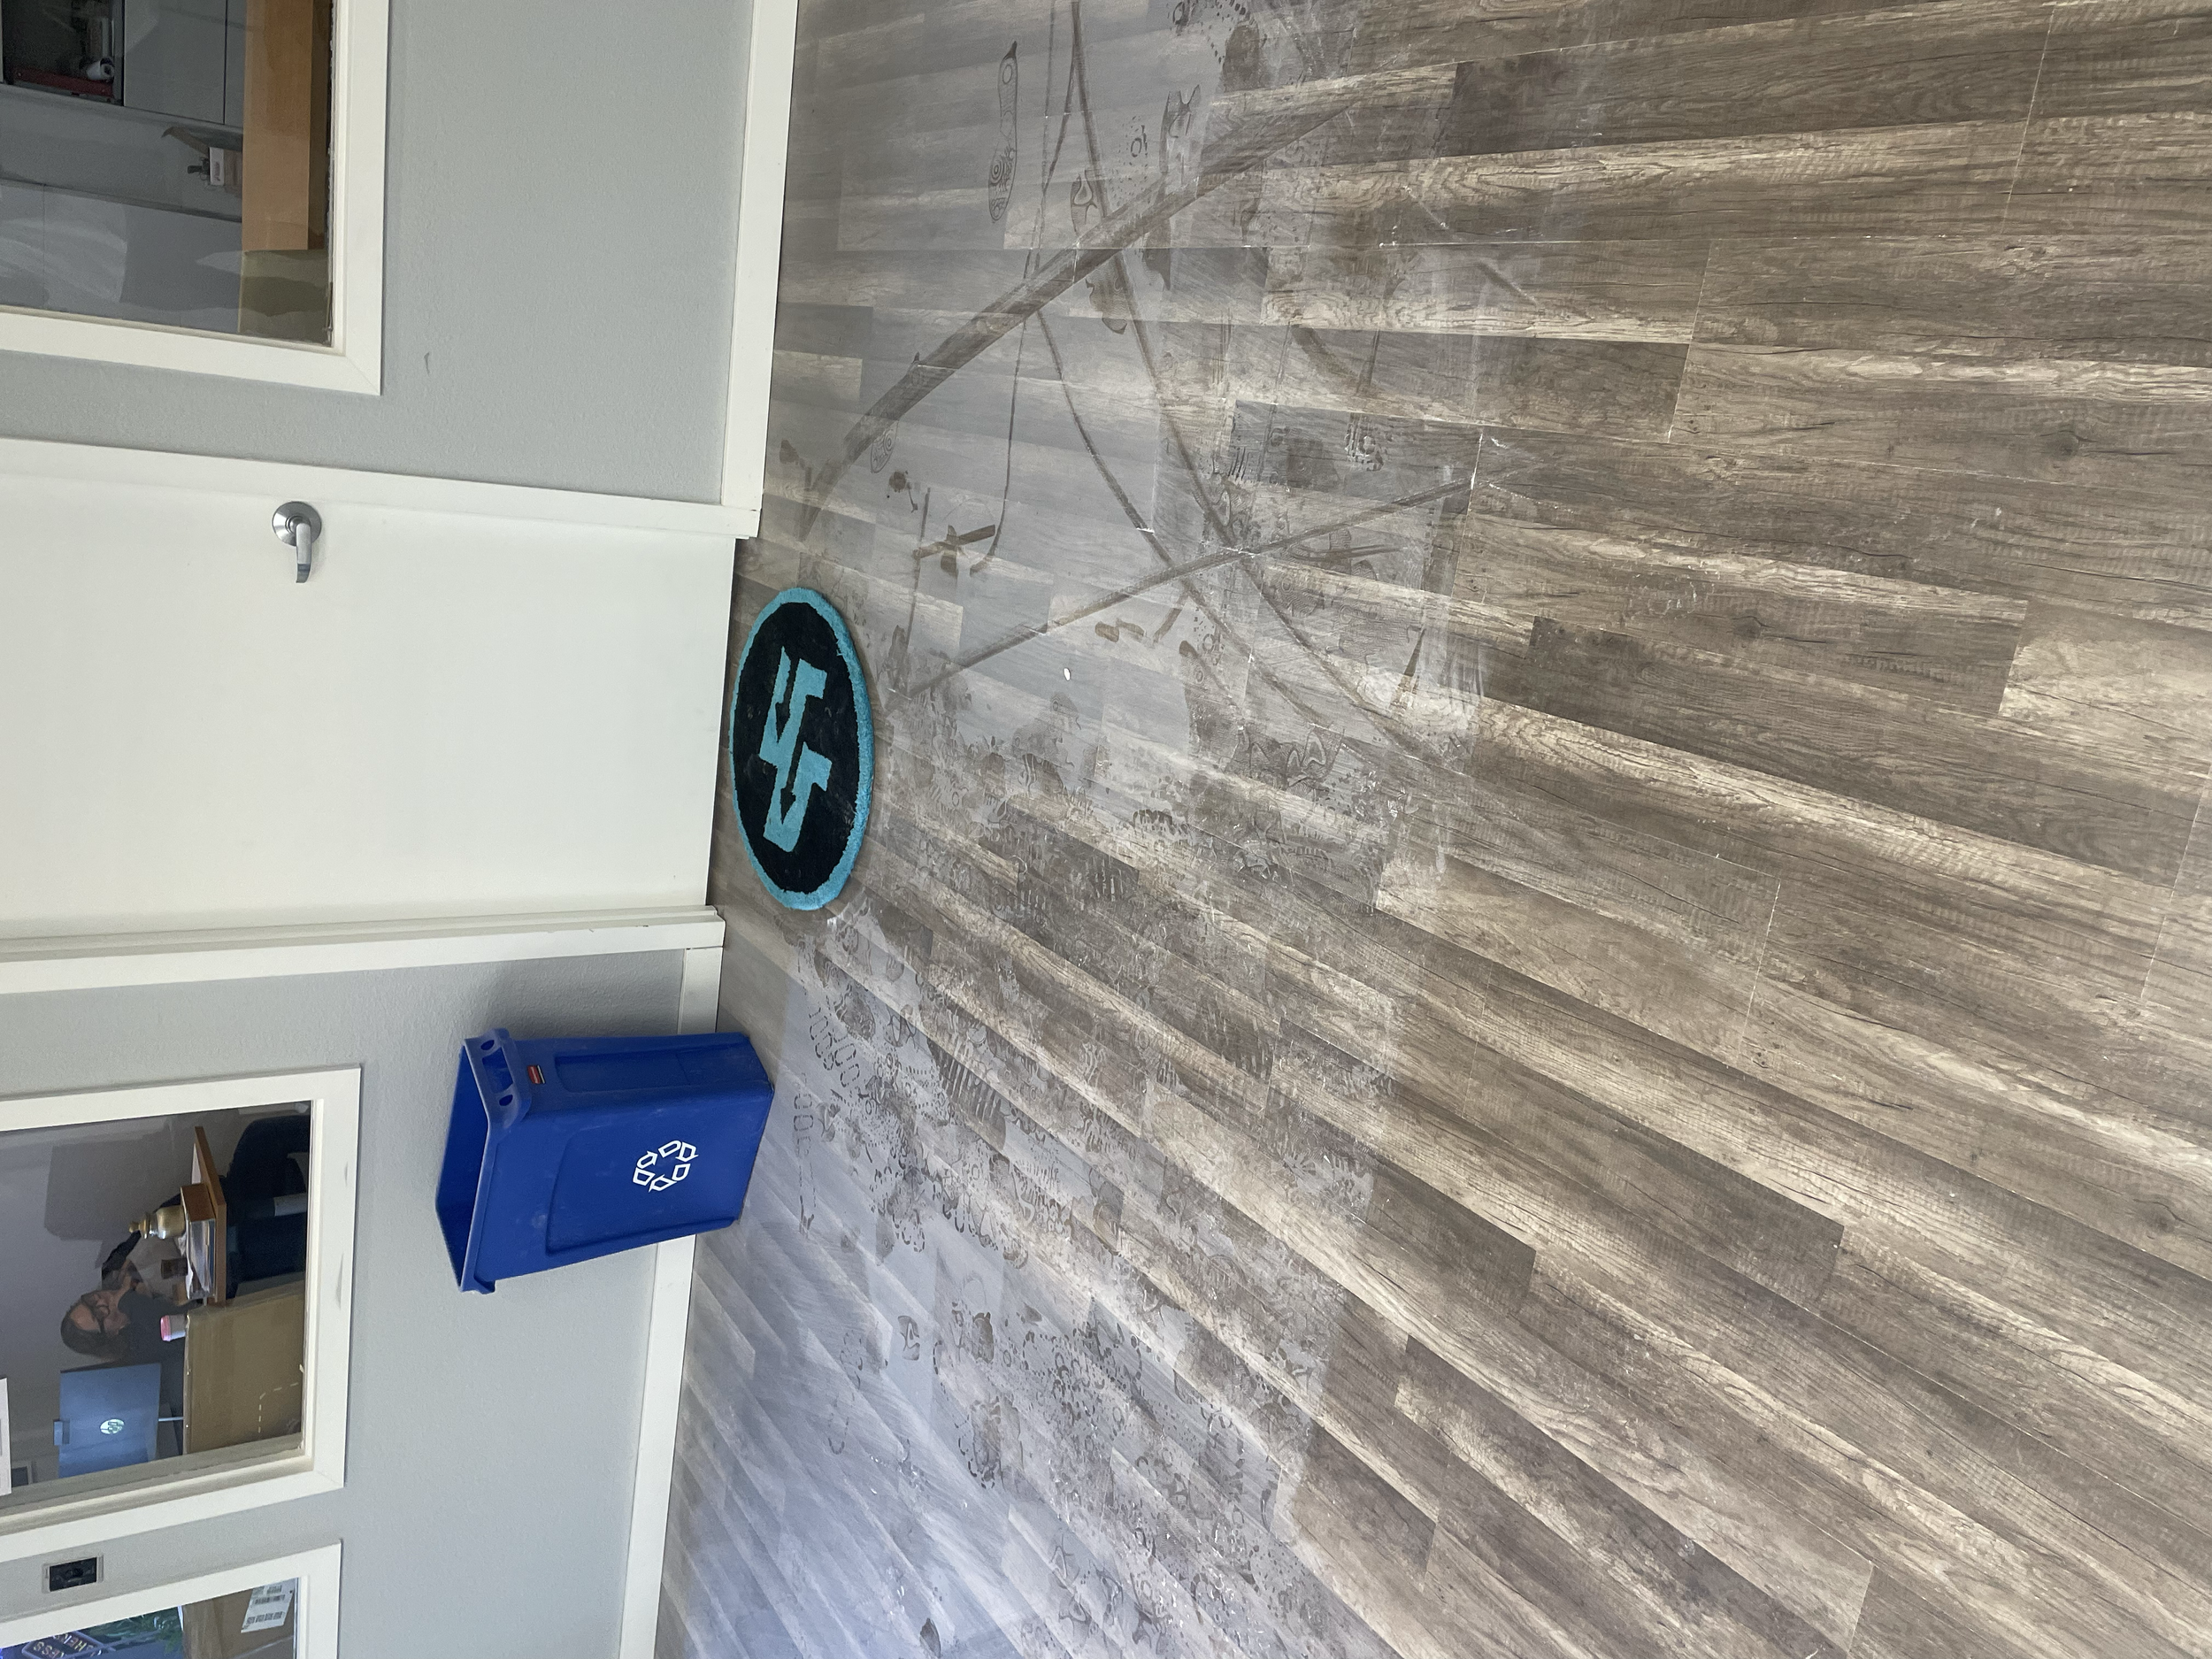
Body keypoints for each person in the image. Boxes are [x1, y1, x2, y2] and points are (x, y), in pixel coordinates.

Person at [59, 1113, 311, 1365]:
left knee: (260, 1135)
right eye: (99, 1314)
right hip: (240, 1256)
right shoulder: (145, 1337)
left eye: (90, 1301)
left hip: (224, 1213)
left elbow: (158, 1221)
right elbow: (197, 1321)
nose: (100, 1301)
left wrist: (201, 1199)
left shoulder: (114, 1267)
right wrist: (130, 1302)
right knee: (268, 1232)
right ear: (111, 1334)